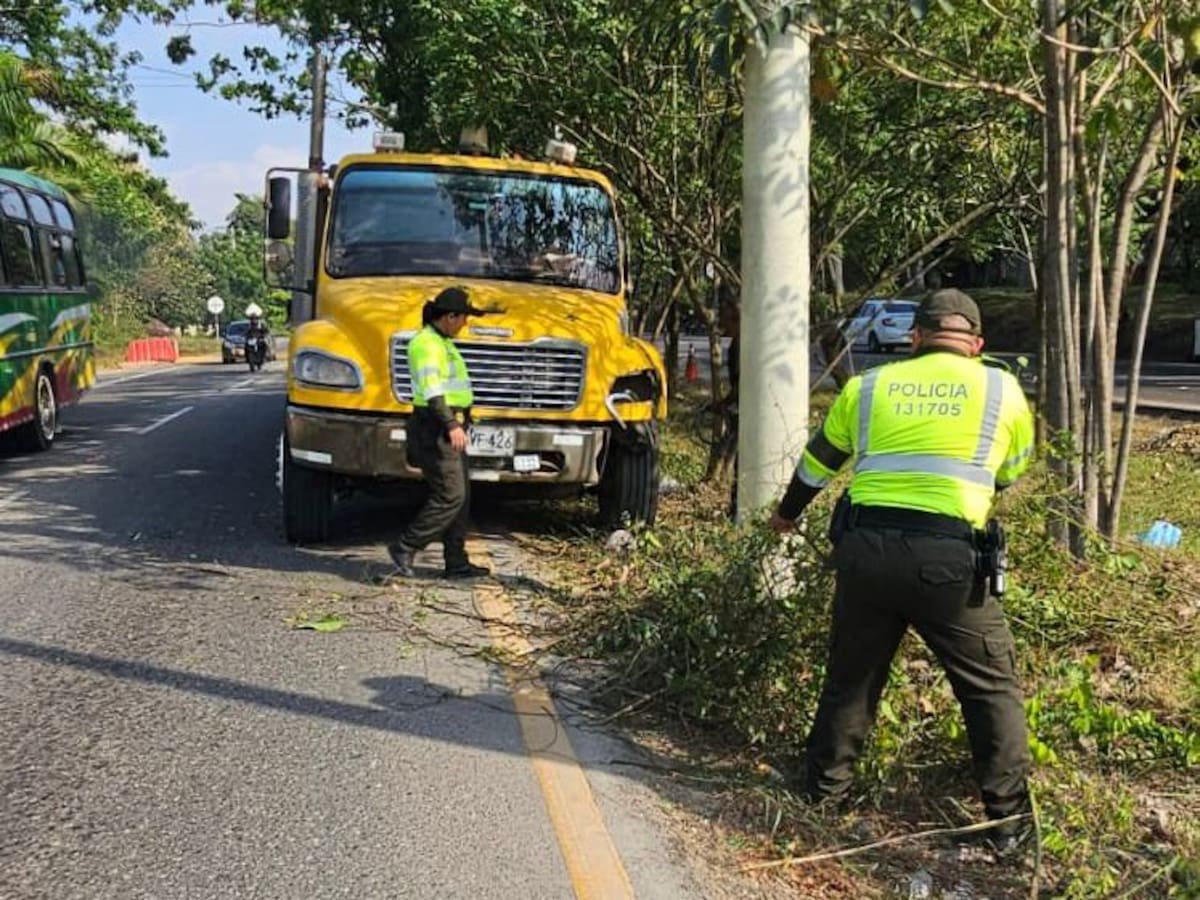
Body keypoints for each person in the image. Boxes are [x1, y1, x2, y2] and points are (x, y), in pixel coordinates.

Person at [768, 288, 1036, 853]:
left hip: (865, 553)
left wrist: (785, 517)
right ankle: (1007, 826)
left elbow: (816, 465)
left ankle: (822, 798)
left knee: (853, 679)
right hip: (948, 562)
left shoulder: (868, 387)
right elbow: (1010, 469)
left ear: (915, 338)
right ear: (977, 344)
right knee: (991, 689)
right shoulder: (1001, 388)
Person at [388, 287, 491, 579]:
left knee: (462, 496)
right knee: (450, 495)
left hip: (446, 425)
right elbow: (433, 391)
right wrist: (451, 424)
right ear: (450, 316)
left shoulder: (441, 341)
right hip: (434, 428)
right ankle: (406, 546)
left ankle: (456, 561)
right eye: (463, 319)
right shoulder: (427, 344)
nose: (465, 325)